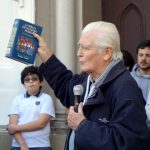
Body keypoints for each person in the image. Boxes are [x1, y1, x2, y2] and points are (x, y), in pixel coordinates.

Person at [34, 21, 150, 150]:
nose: (78, 53)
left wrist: (82, 125)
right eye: (79, 47)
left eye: (86, 48)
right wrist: (47, 56)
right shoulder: (90, 80)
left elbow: (128, 143)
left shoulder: (125, 89)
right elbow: (66, 85)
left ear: (107, 53)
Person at [7, 66, 55, 150]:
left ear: (40, 82)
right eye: (27, 79)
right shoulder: (17, 99)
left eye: (34, 78)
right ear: (23, 84)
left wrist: (15, 128)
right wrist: (23, 144)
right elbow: (12, 123)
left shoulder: (46, 98)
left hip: (41, 146)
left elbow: (41, 123)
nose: (31, 81)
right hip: (18, 146)